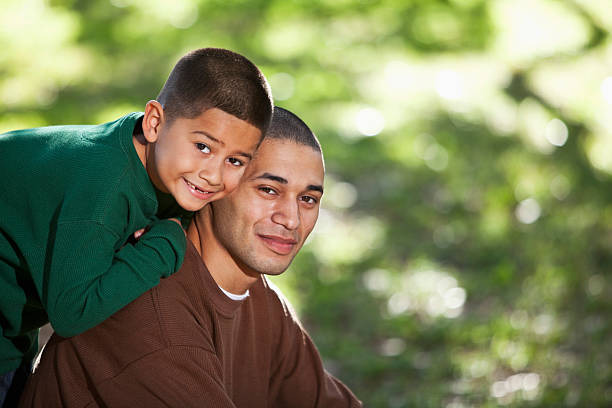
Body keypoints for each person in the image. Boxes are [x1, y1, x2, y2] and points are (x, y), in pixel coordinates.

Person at [19, 107, 362, 407]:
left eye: (308, 199)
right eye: (268, 190)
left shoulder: (263, 301)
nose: (291, 218)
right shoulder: (153, 320)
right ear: (216, 184)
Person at [0, 47, 273, 406]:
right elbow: (72, 312)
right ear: (154, 122)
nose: (213, 175)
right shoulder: (103, 191)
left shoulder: (161, 156)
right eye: (204, 147)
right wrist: (164, 246)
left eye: (235, 160)